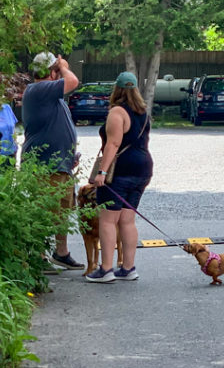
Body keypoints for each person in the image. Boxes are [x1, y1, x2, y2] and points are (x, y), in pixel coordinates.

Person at [86, 72, 153, 283]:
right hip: (143, 168)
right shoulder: (142, 112)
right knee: (127, 219)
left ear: (117, 89)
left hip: (120, 171)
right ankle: (128, 267)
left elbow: (113, 144)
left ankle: (105, 269)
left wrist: (102, 173)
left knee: (107, 220)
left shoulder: (117, 112)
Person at [23, 51, 84, 270]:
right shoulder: (38, 89)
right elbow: (73, 81)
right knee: (44, 211)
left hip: (60, 164)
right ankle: (38, 256)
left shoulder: (51, 96)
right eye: (56, 71)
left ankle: (61, 253)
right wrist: (64, 66)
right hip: (44, 166)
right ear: (51, 72)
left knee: (62, 212)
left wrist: (70, 154)